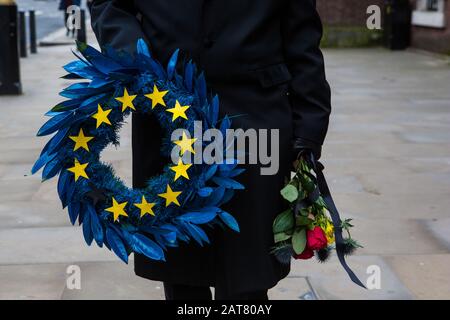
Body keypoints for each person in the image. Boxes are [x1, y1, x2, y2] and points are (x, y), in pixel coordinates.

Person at [89, 0, 331, 300]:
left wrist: (308, 130)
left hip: (255, 114)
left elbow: (302, 38)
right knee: (181, 270)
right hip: (168, 111)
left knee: (247, 277)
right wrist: (135, 57)